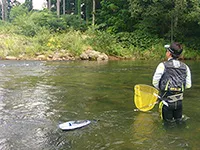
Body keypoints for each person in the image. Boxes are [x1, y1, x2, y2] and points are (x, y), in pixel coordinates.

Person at [152, 42, 192, 126]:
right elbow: (188, 85)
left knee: (167, 126)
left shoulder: (162, 65)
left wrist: (162, 90)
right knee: (179, 123)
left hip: (166, 102)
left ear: (169, 53)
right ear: (179, 55)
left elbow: (155, 82)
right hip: (179, 103)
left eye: (167, 50)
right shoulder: (185, 67)